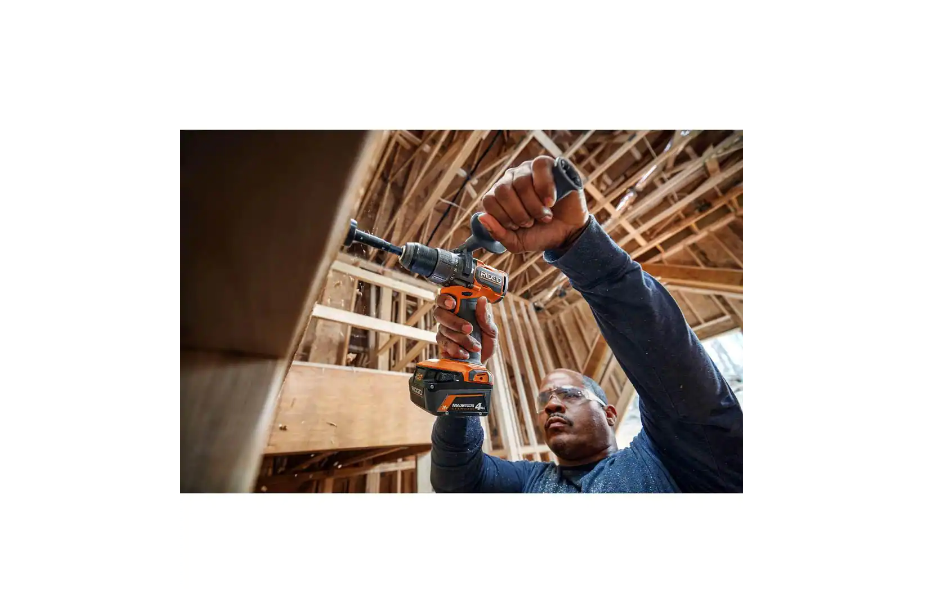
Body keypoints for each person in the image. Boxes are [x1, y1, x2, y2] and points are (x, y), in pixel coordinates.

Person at [429, 156, 743, 493]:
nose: (551, 405)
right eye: (544, 401)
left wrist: (579, 244)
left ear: (610, 414)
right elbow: (457, 479)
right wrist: (466, 366)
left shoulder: (668, 458)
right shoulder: (529, 482)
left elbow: (673, 367)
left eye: (570, 394)